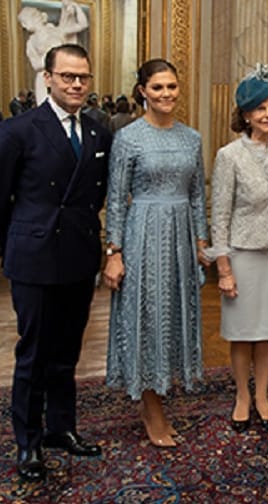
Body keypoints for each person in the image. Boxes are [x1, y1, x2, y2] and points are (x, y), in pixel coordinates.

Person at [0, 43, 110, 482]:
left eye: (82, 77)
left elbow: (94, 197)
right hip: (34, 256)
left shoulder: (100, 133)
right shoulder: (18, 130)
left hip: (79, 257)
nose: (77, 84)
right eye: (67, 76)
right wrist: (11, 247)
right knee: (34, 354)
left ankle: (61, 429)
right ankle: (27, 443)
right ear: (48, 78)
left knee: (68, 352)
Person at [103, 58, 209, 448]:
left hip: (181, 237)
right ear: (143, 91)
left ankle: (159, 395)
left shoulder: (192, 138)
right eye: (158, 87)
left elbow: (198, 194)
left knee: (173, 316)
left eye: (172, 87)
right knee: (147, 318)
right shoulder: (128, 138)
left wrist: (201, 243)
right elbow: (115, 200)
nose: (167, 94)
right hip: (142, 235)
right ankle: (151, 409)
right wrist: (113, 251)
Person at [210, 64, 268, 433]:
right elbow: (219, 215)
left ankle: (262, 395)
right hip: (242, 254)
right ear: (245, 114)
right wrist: (224, 268)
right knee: (243, 331)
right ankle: (242, 397)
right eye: (260, 109)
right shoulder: (229, 156)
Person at [17, 1, 88, 105]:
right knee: (45, 111)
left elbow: (83, 24)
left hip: (63, 74)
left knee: (65, 107)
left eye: (26, 21)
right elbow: (36, 65)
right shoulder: (31, 42)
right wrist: (51, 57)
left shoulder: (58, 31)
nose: (25, 25)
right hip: (44, 77)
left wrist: (75, 6)